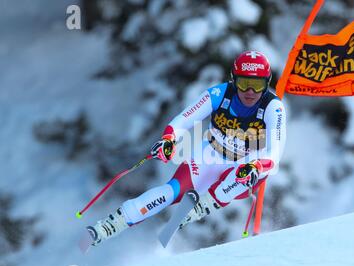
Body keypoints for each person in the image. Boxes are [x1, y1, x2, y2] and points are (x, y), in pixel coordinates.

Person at [86, 50, 287, 247]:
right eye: (244, 84)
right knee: (171, 192)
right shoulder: (219, 94)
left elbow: (274, 153)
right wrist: (169, 139)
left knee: (245, 173)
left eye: (257, 85)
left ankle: (204, 205)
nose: (250, 92)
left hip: (246, 163)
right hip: (212, 153)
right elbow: (184, 119)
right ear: (234, 80)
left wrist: (258, 166)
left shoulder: (273, 107)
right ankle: (111, 224)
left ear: (267, 83)